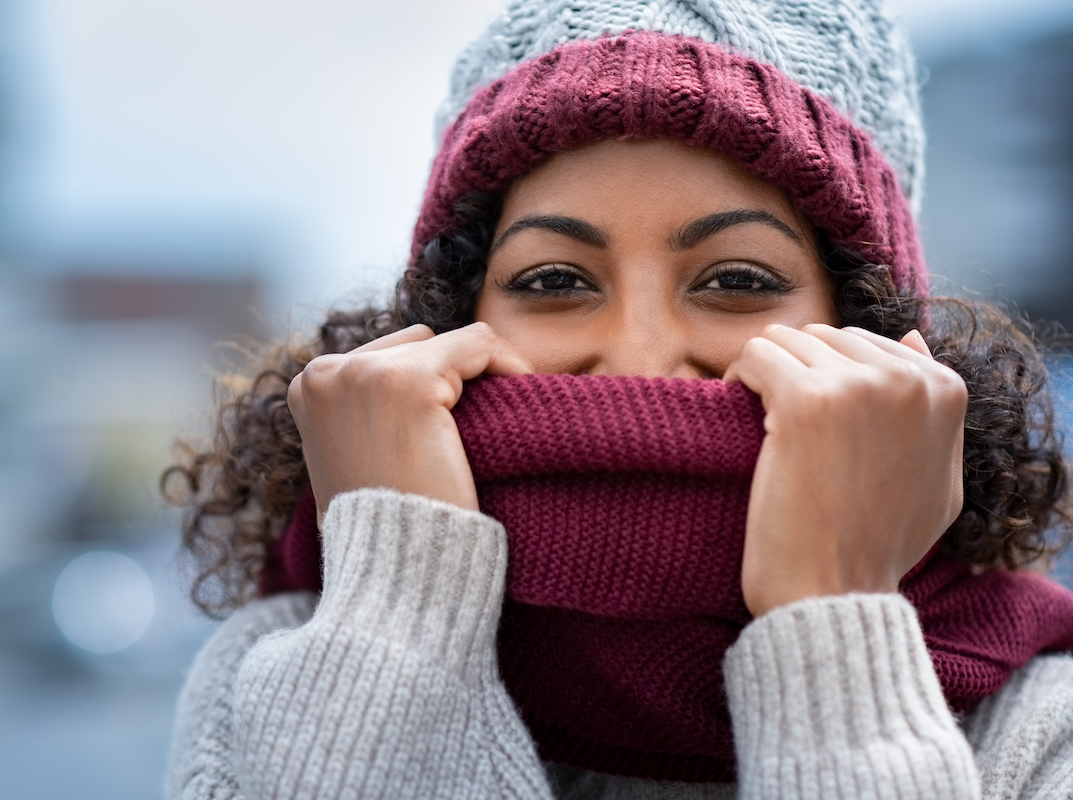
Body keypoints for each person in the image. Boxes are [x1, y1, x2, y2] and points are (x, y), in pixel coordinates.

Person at [162, 1, 1073, 798]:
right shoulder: (273, 672)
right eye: (555, 280)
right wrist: (397, 604)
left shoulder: (1043, 728)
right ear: (449, 319)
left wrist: (831, 621)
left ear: (864, 332)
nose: (639, 359)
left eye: (737, 279)